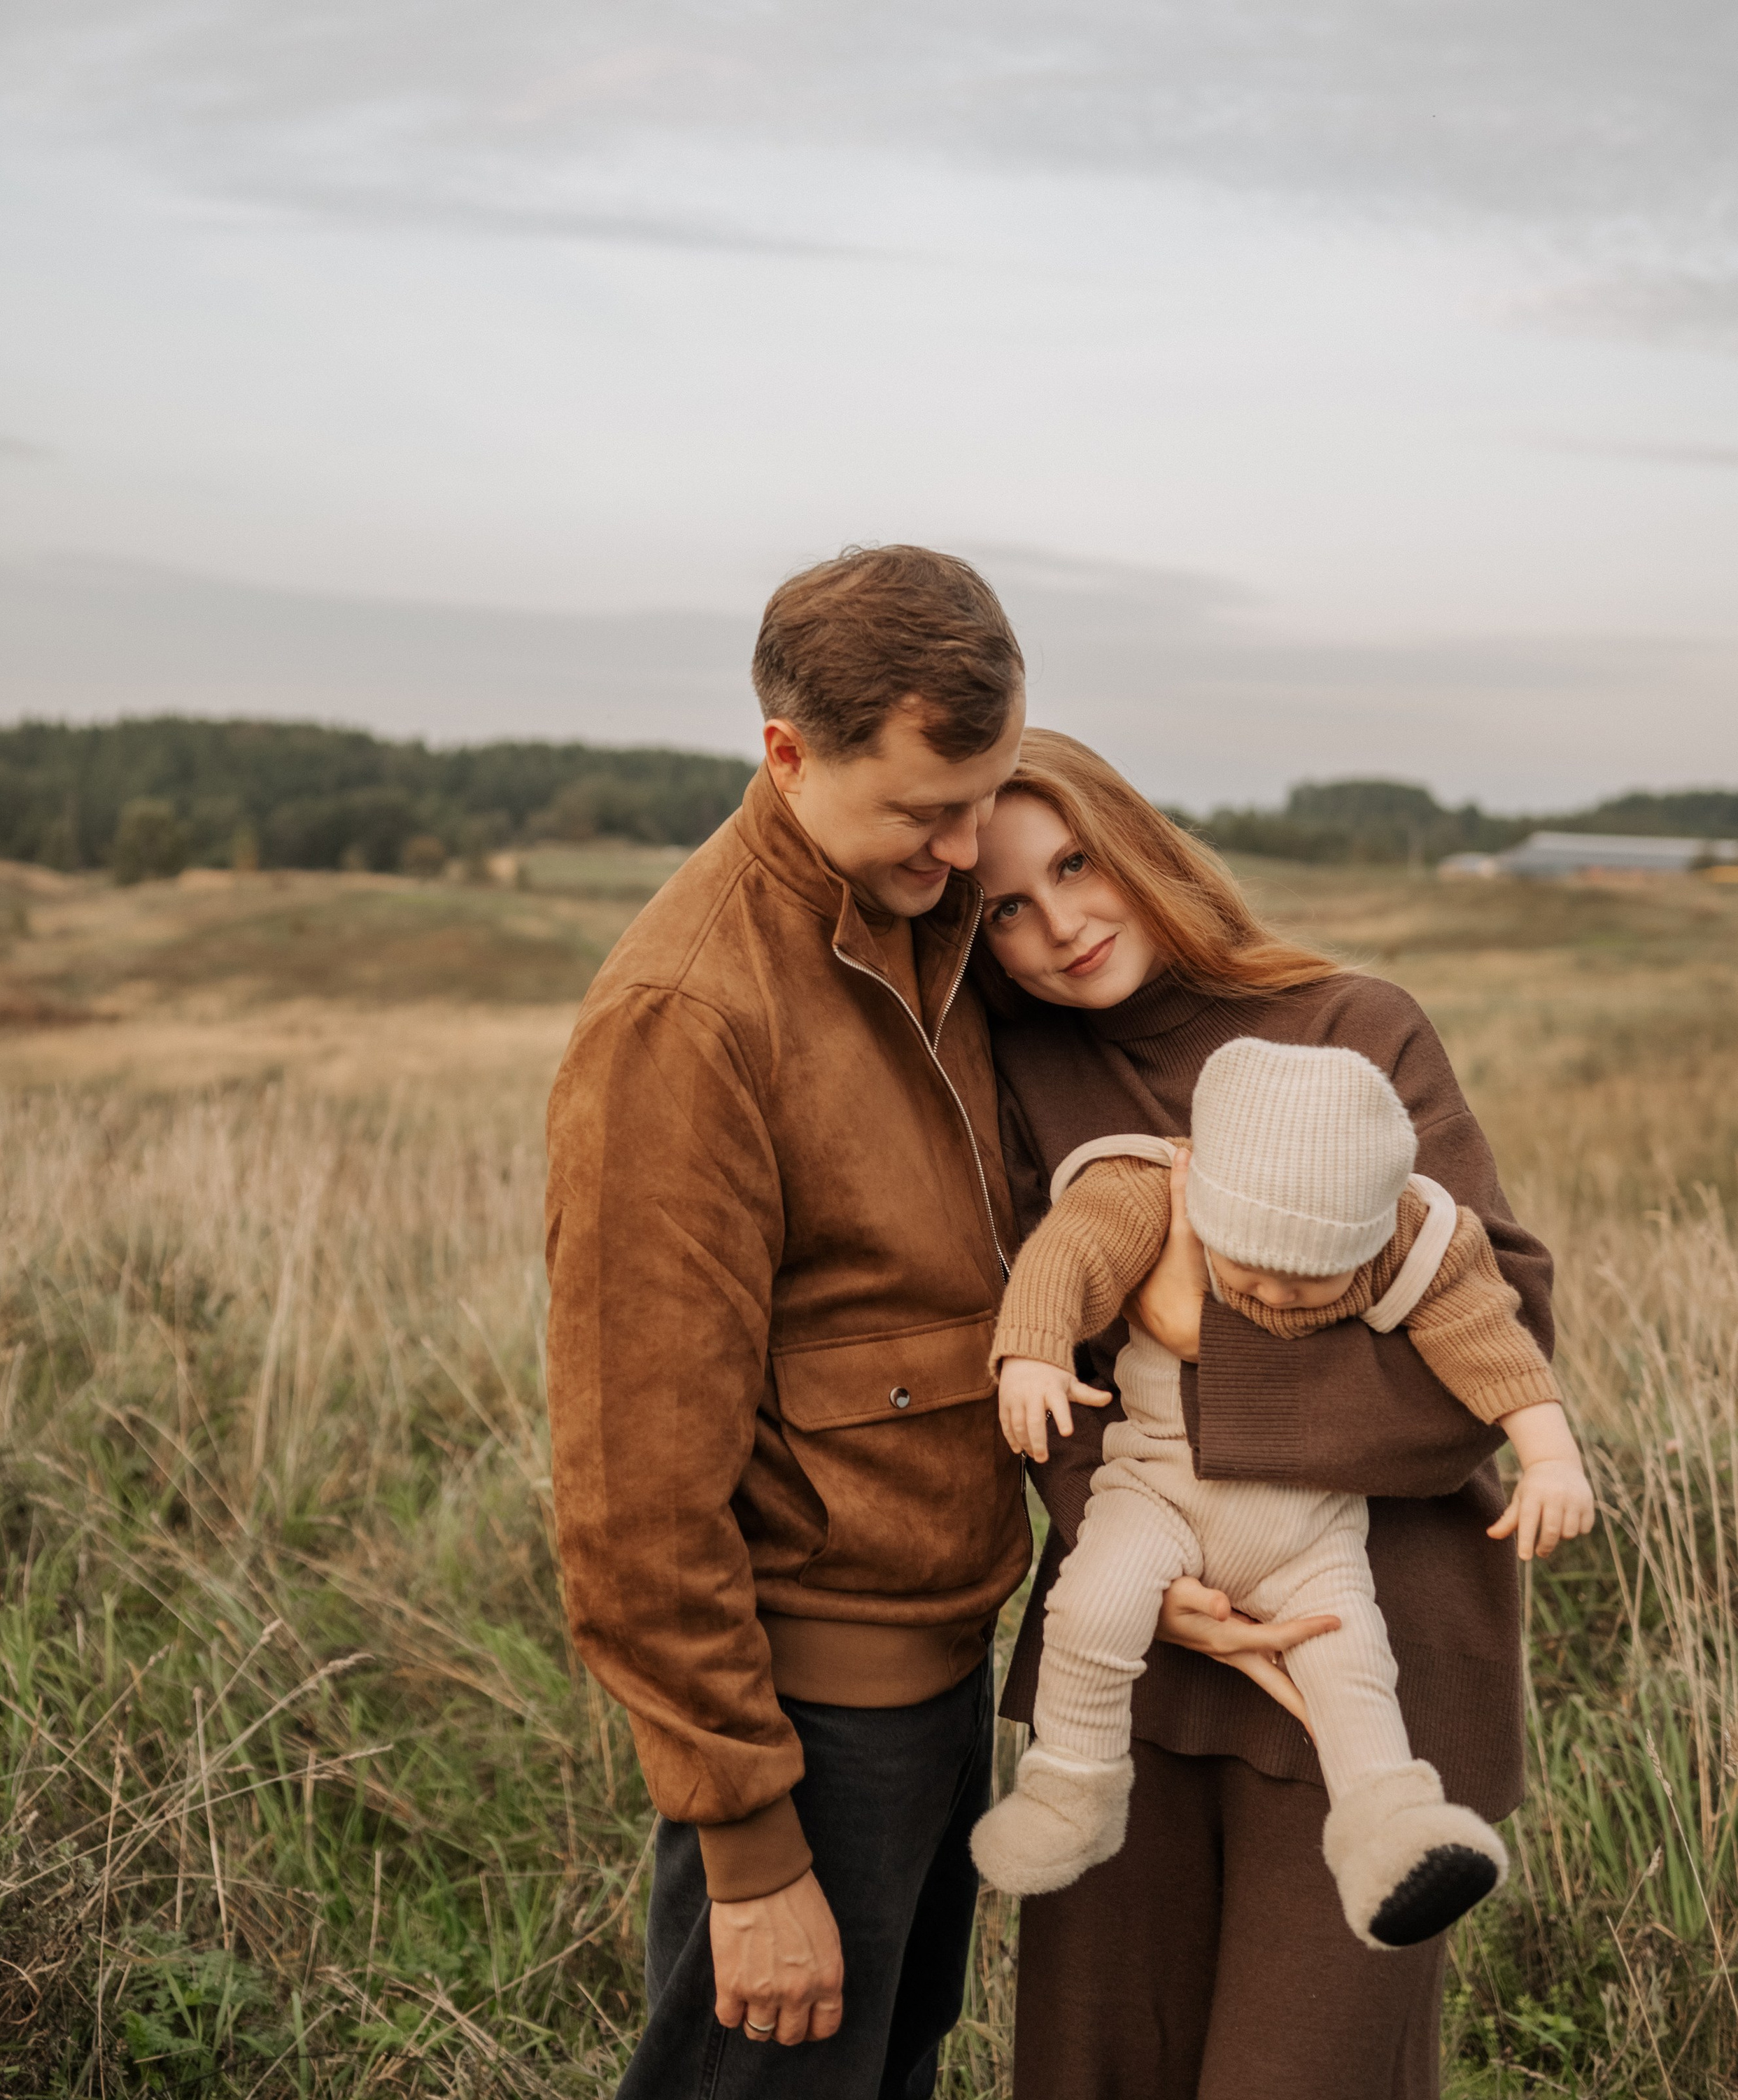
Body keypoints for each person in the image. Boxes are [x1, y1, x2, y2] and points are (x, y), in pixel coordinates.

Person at [969, 729, 1557, 2100]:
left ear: (1140, 844)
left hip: (1366, 1653)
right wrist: (1135, 1552)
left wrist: (1189, 1331)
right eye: (1002, 905)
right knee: (1096, 2069)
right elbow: (1029, 1350)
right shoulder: (1019, 1077)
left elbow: (1487, 1333)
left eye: (1074, 863)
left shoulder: (1353, 1024)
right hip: (1132, 1663)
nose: (1057, 924)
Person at [544, 544, 1034, 2099]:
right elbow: (634, 1490)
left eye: (984, 795)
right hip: (811, 1723)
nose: (966, 849)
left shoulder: (922, 921)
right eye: (922, 809)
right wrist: (751, 1854)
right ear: (784, 754)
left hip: (945, 1674)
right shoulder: (686, 1017)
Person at [970, 1038, 1593, 1945]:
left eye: (1308, 1281)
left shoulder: (1411, 1241)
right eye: (1247, 1267)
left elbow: (1487, 1344)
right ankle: (1073, 1787)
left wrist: (1553, 1458)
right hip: (1158, 1488)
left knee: (1351, 1666)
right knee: (1092, 1608)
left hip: (1309, 1526)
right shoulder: (1158, 1183)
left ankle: (1394, 1826)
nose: (1270, 1295)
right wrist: (1031, 1349)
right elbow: (1069, 1254)